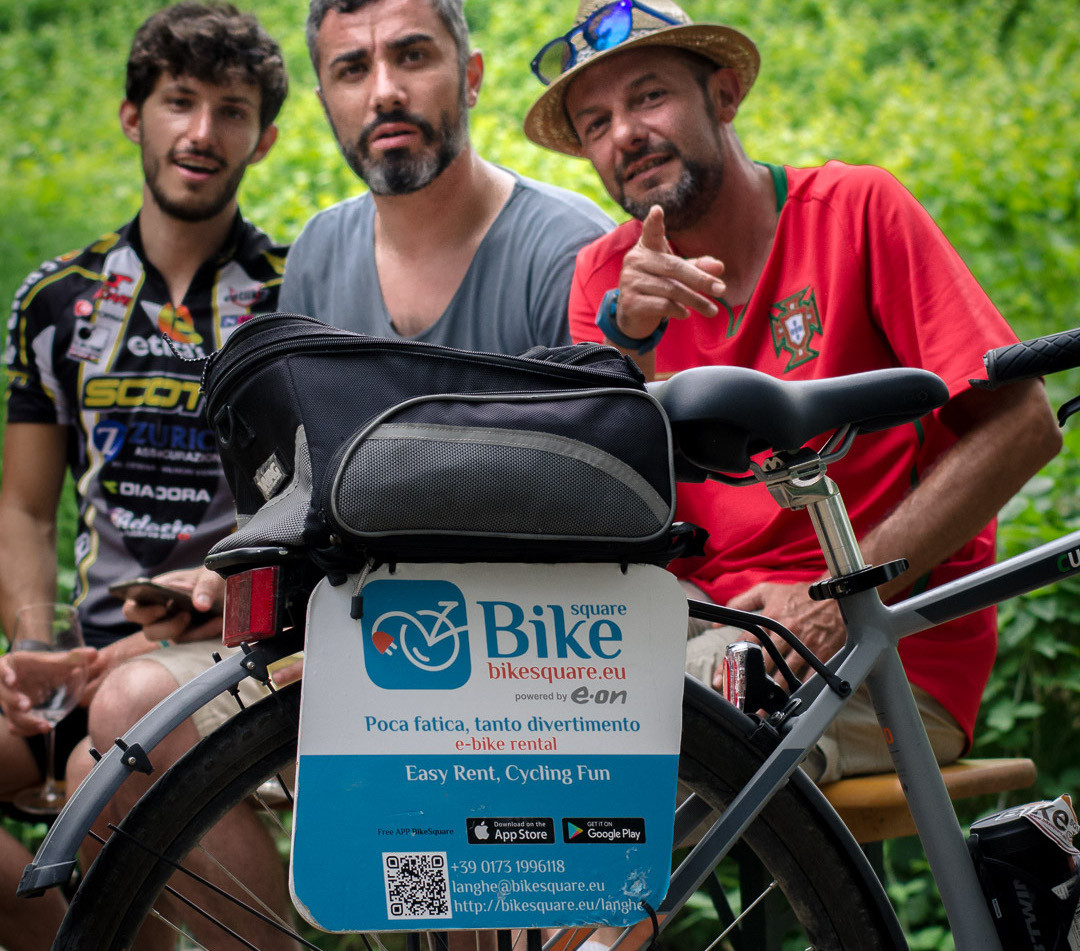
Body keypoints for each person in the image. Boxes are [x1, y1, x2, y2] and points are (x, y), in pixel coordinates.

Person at [523, 0, 1063, 783]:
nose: (626, 135)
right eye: (596, 122)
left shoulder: (858, 212)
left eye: (648, 96)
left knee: (617, 739)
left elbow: (1025, 427)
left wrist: (838, 596)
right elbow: (597, 508)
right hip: (703, 626)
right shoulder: (607, 282)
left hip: (891, 643)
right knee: (500, 714)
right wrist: (626, 343)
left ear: (726, 95)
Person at [0, 4, 296, 947]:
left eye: (232, 109)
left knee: (113, 753)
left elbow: (315, 501)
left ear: (266, 136)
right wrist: (29, 655)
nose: (202, 133)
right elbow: (22, 501)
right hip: (78, 664)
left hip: (220, 653)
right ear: (135, 116)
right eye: (179, 102)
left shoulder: (297, 299)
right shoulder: (56, 299)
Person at [278, 0, 613, 350]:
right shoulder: (314, 261)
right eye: (353, 70)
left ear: (471, 78)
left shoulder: (570, 255)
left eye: (412, 57)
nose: (385, 93)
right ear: (325, 106)